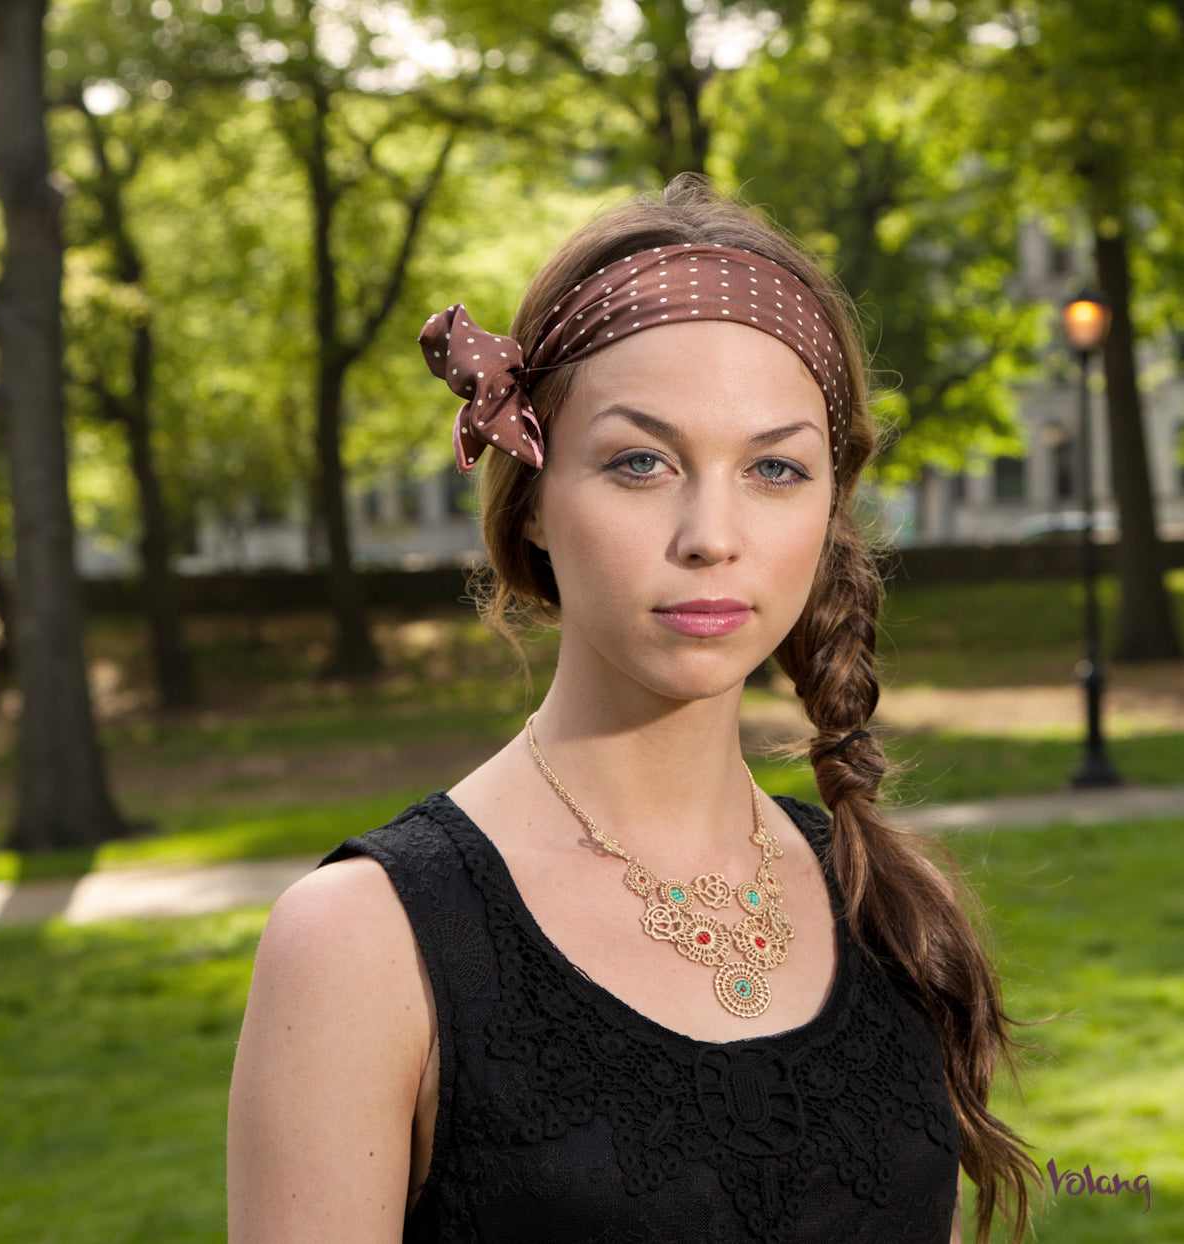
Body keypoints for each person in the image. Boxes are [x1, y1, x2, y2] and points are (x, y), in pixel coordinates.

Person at [227, 176, 1036, 1243]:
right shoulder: (360, 945)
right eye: (639, 461)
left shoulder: (885, 907)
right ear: (536, 497)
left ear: (829, 508)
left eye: (774, 467)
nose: (711, 531)